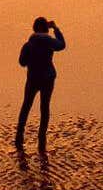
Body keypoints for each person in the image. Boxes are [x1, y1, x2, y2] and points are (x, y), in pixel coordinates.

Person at [14, 15, 66, 159]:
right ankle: (41, 140)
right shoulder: (49, 43)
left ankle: (19, 136)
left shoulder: (28, 45)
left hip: (33, 79)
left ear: (34, 29)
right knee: (45, 107)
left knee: (26, 106)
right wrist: (56, 28)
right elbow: (62, 45)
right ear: (46, 30)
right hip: (48, 78)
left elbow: (22, 63)